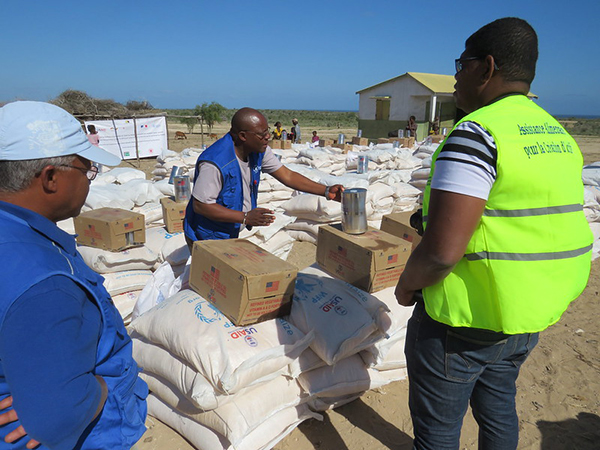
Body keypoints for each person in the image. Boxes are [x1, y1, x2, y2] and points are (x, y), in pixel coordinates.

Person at [394, 17, 592, 450]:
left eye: (460, 65)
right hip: (526, 316)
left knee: (439, 432)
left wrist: (407, 286)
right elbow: (516, 213)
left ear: (485, 68)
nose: (455, 77)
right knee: (499, 408)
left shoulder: (477, 133)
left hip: (465, 321)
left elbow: (442, 254)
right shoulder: (557, 135)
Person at [0, 101, 148, 449]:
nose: (89, 180)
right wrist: (100, 387)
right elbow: (56, 417)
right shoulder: (45, 281)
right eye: (87, 170)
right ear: (51, 178)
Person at [184, 108, 343, 244]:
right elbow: (201, 205)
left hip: (228, 230)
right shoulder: (215, 163)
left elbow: (287, 175)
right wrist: (245, 217)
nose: (268, 136)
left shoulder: (258, 150)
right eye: (262, 134)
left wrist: (326, 191)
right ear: (243, 136)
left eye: (267, 131)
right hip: (206, 236)